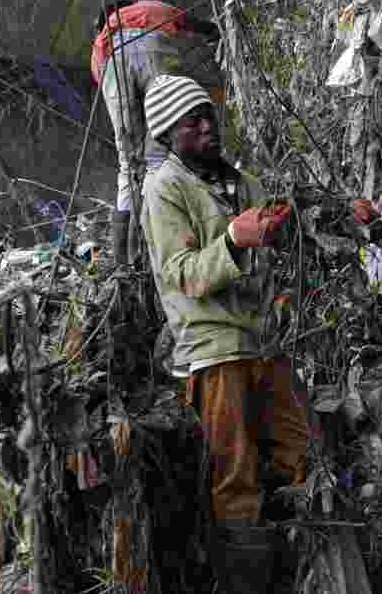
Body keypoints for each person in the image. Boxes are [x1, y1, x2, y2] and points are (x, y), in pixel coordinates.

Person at [142, 74, 366, 592]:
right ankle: (252, 582)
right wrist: (235, 241)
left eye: (208, 117)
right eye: (190, 123)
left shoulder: (240, 181)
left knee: (302, 453)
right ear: (168, 136)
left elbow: (286, 224)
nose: (205, 128)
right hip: (215, 351)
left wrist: (343, 215)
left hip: (266, 344)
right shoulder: (164, 189)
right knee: (235, 478)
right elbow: (183, 273)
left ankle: (317, 573)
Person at [91, 0, 225, 266]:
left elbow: (103, 82)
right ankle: (183, 233)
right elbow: (189, 22)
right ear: (128, 6)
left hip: (110, 70)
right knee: (168, 142)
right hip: (154, 50)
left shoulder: (99, 46)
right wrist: (215, 32)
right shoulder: (146, 9)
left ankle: (125, 261)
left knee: (128, 164)